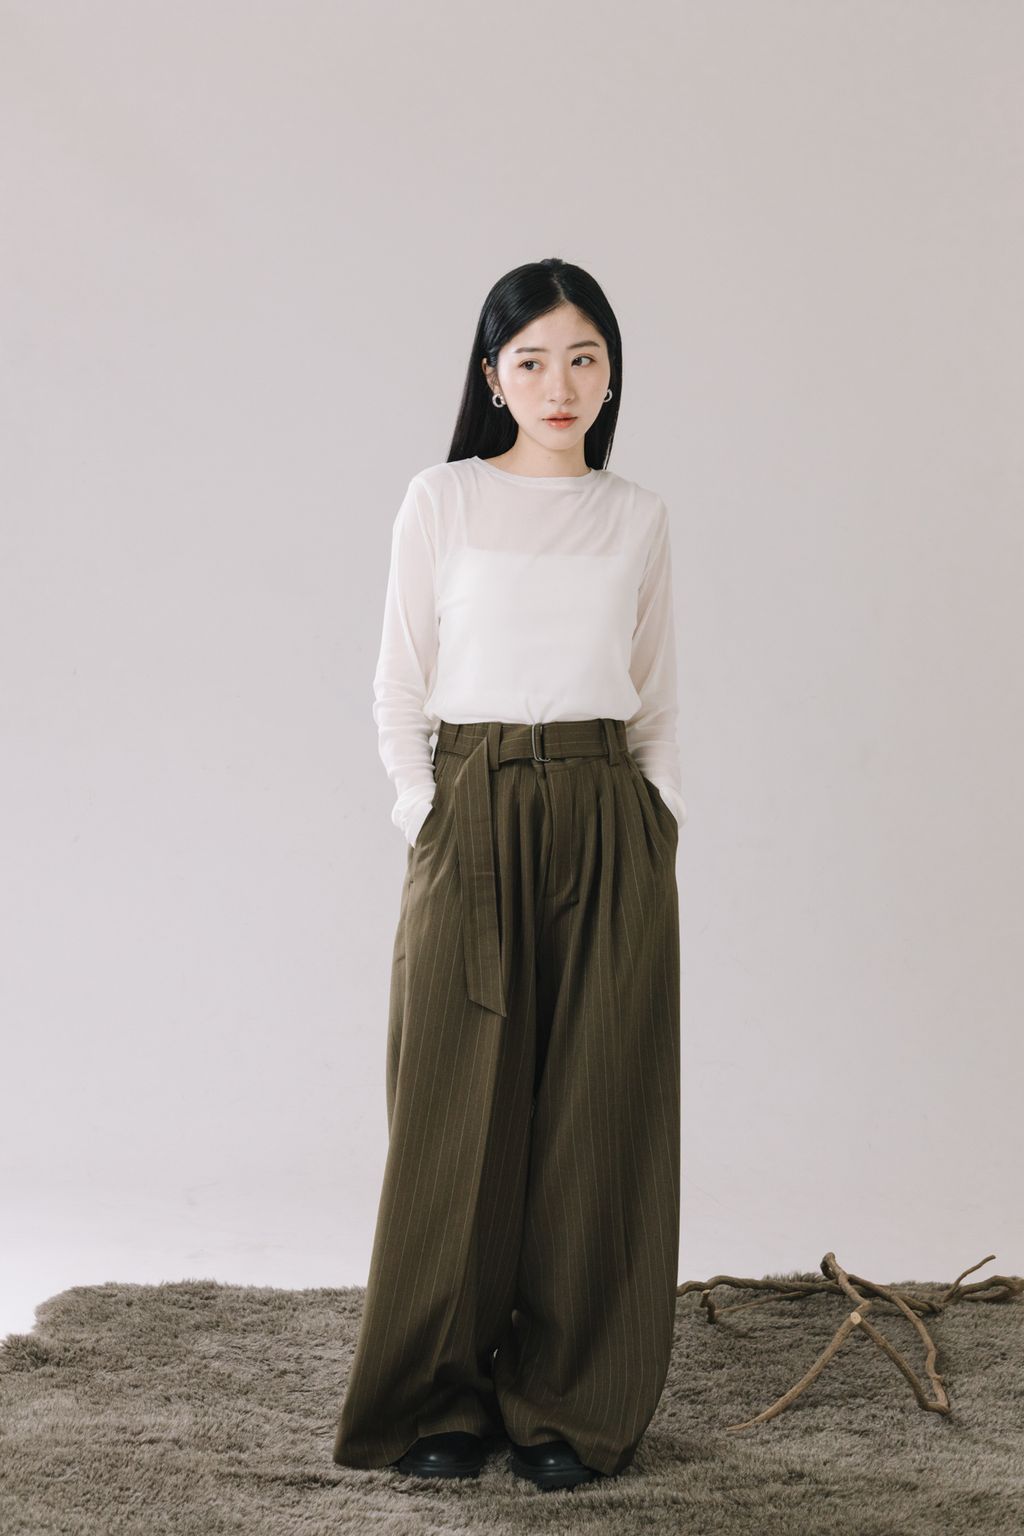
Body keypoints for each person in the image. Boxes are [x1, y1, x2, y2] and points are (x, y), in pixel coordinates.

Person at [332, 257, 686, 1494]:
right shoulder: (441, 498)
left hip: (603, 803)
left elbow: (658, 696)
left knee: (598, 1113)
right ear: (492, 377)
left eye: (582, 357)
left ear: (610, 374)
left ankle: (568, 1407)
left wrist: (657, 822)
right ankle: (436, 1396)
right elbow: (399, 683)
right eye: (531, 360)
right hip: (472, 801)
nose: (558, 383)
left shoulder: (636, 516)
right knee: (454, 1111)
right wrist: (426, 813)